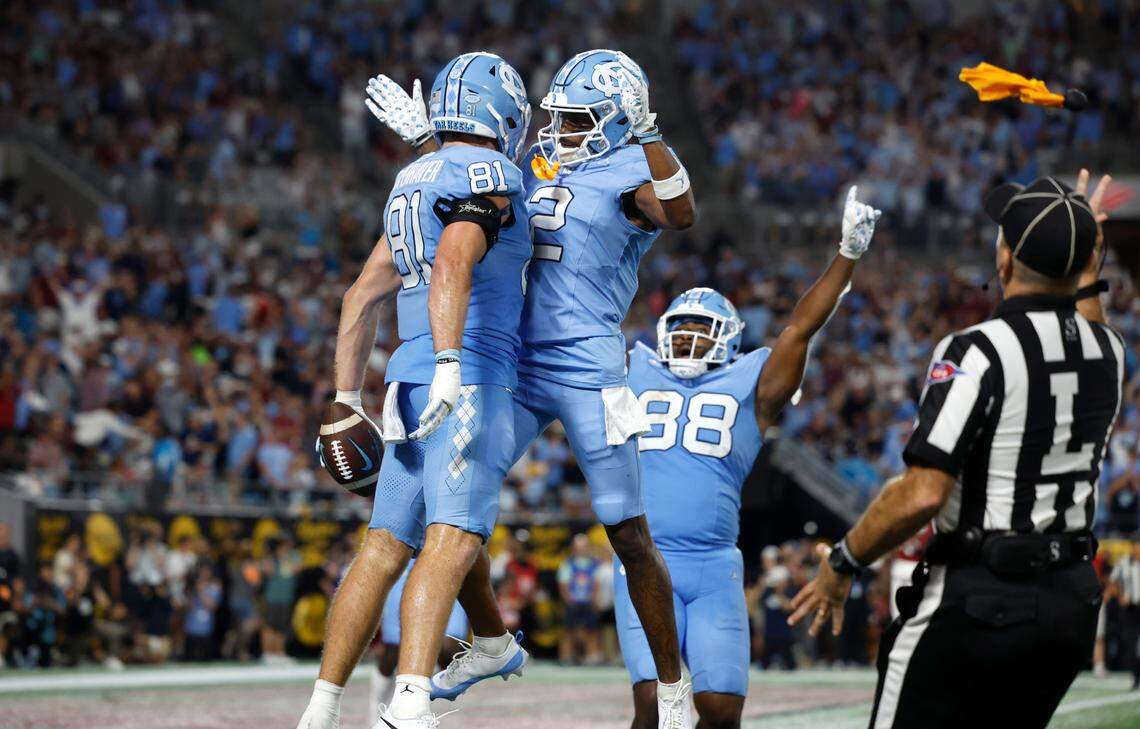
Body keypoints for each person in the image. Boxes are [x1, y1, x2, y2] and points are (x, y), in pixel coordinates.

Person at [371, 48, 699, 728]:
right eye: (560, 117)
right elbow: (481, 194)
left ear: (619, 121)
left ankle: (673, 685)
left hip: (589, 368)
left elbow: (682, 214)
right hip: (518, 362)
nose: (562, 130)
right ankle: (490, 640)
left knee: (629, 532)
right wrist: (434, 144)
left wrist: (651, 136)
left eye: (580, 120)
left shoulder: (637, 168)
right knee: (453, 502)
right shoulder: (537, 166)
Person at [790, 172, 1120, 728]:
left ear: (1005, 258)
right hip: (1070, 602)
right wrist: (1081, 246)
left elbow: (924, 492)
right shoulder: (1107, 350)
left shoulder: (976, 350)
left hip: (981, 597)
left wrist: (843, 563)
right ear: (1089, 260)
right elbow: (1083, 320)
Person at [296, 51, 532, 729]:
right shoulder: (493, 174)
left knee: (381, 545)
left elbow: (361, 294)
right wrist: (454, 361)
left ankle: (322, 704)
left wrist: (345, 398)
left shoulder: (412, 179)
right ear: (504, 116)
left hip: (403, 381)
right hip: (466, 376)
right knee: (452, 540)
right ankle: (410, 698)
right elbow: (457, 256)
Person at [615, 186, 879, 728]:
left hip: (714, 565)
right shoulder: (633, 369)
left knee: (719, 712)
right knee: (652, 706)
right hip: (646, 560)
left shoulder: (751, 388)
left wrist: (847, 253)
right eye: (681, 328)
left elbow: (801, 328)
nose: (688, 339)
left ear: (729, 341)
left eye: (700, 330)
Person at [368, 561, 470, 727]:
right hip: (409, 560)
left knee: (448, 648)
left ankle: (417, 708)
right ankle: (375, 714)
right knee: (393, 652)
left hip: (450, 563)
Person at [557, 534, 602, 665]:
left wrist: (593, 599)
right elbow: (563, 584)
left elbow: (596, 583)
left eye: (583, 547)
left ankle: (591, 655)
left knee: (591, 631)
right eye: (578, 547)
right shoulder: (567, 564)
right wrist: (568, 600)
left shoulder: (594, 564)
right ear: (573, 548)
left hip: (588, 602)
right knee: (568, 630)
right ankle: (566, 656)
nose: (581, 549)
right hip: (573, 602)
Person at [1110, 540, 1140, 689]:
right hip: (1130, 610)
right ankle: (1135, 676)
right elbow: (1113, 582)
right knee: (1129, 643)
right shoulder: (1124, 563)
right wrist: (1121, 596)